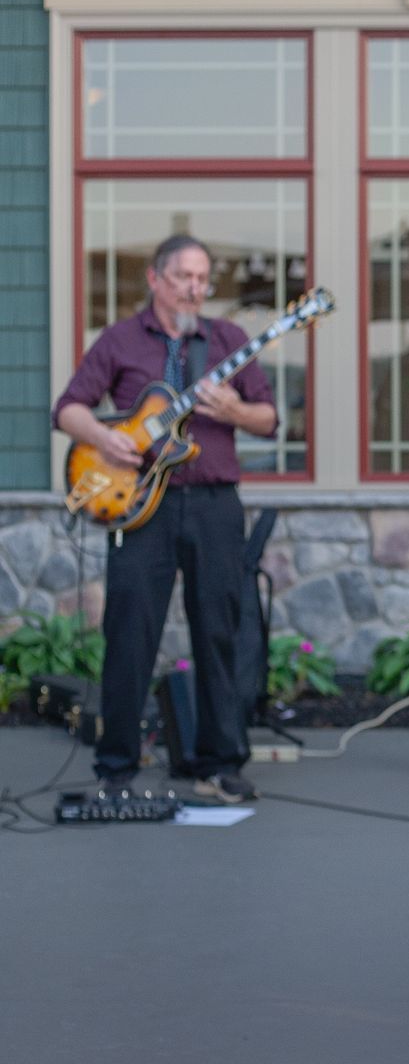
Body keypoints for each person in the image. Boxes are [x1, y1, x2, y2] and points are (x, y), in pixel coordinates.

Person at [54, 234, 279, 804]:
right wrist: (107, 437)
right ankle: (117, 765)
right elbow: (68, 408)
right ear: (155, 279)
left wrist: (234, 410)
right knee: (129, 633)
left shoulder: (228, 340)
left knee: (219, 631)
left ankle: (220, 762)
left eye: (203, 278)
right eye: (184, 276)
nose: (195, 288)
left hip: (213, 504)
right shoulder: (121, 340)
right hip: (137, 506)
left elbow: (269, 419)